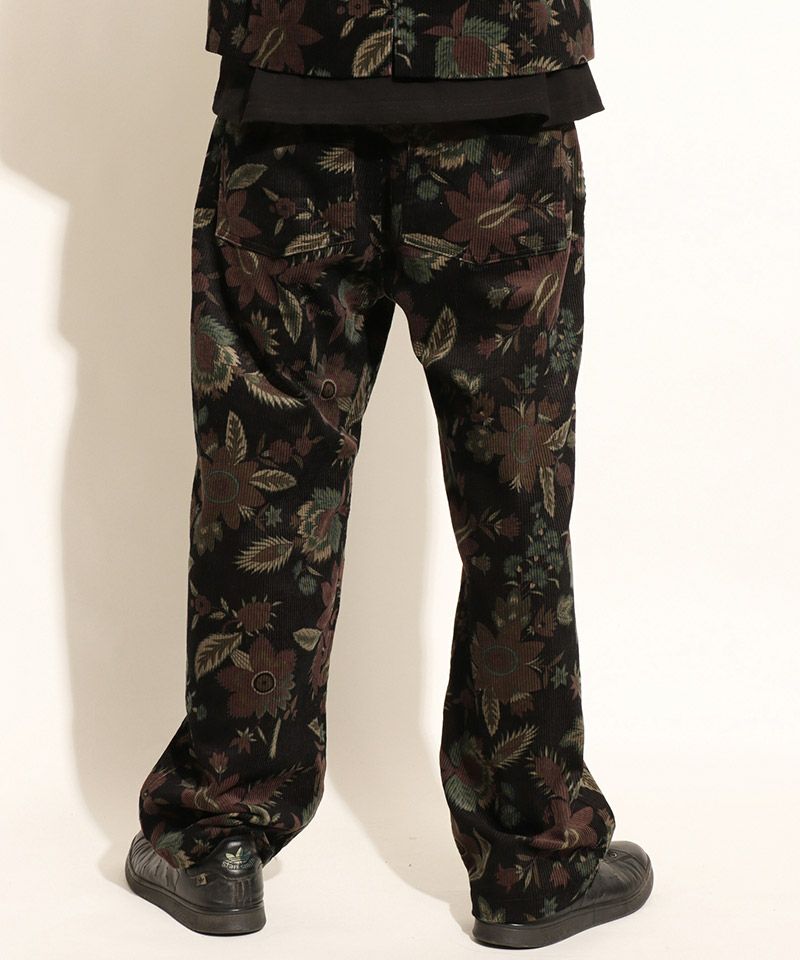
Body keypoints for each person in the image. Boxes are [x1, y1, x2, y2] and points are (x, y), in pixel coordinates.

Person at [124, 2, 654, 947]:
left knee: (266, 481)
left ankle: (217, 832)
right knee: (515, 494)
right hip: (502, 103)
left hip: (293, 90)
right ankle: (535, 855)